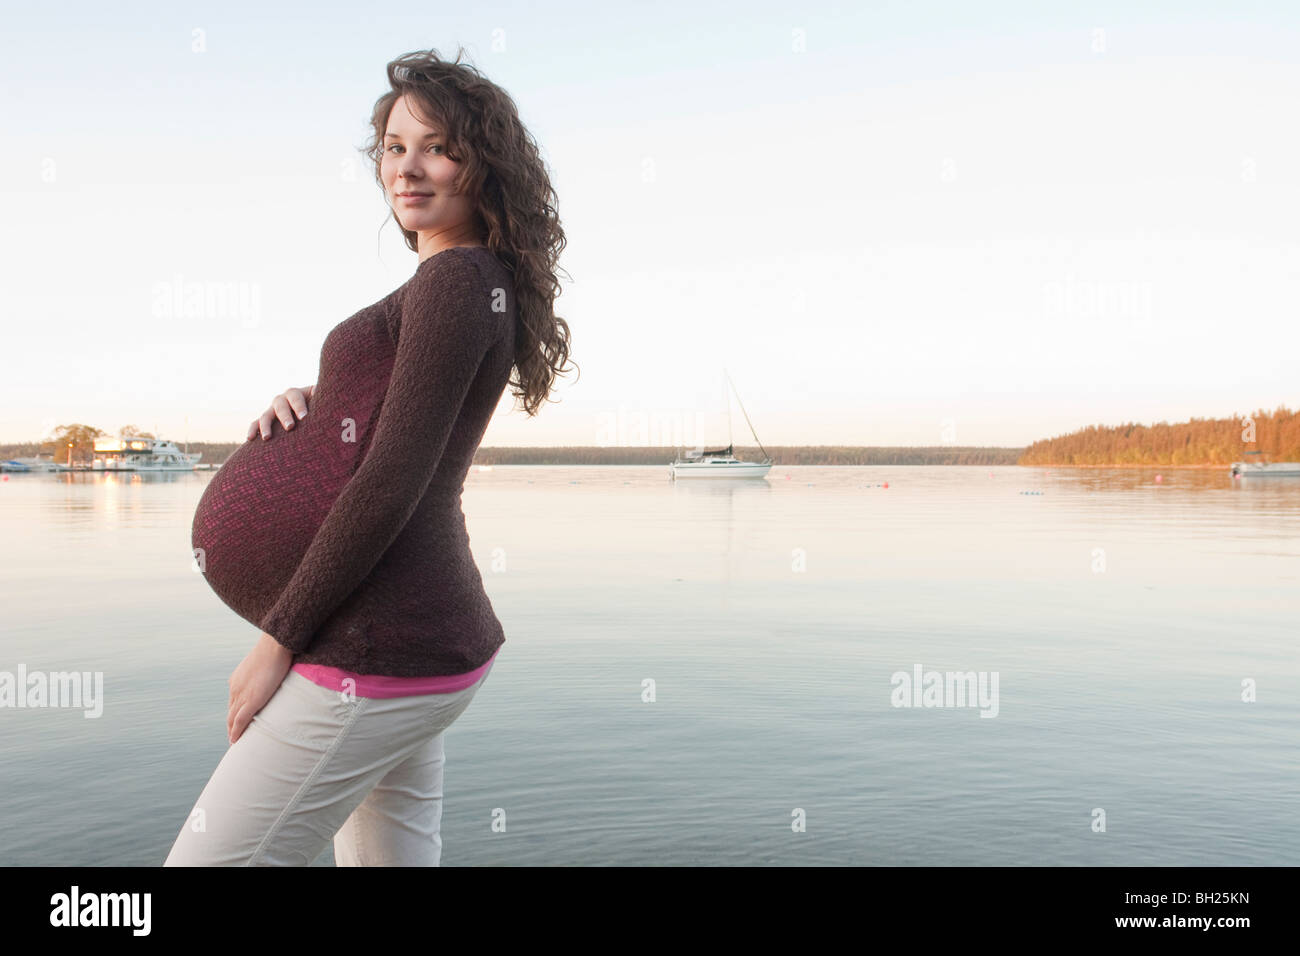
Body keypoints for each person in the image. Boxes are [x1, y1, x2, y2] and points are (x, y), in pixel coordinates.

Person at [164, 47, 575, 866]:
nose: (407, 167)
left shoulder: (458, 281)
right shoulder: (454, 283)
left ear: (482, 161)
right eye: (393, 146)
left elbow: (393, 479)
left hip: (374, 648)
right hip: (411, 643)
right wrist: (312, 404)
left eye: (437, 145)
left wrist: (276, 641)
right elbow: (388, 426)